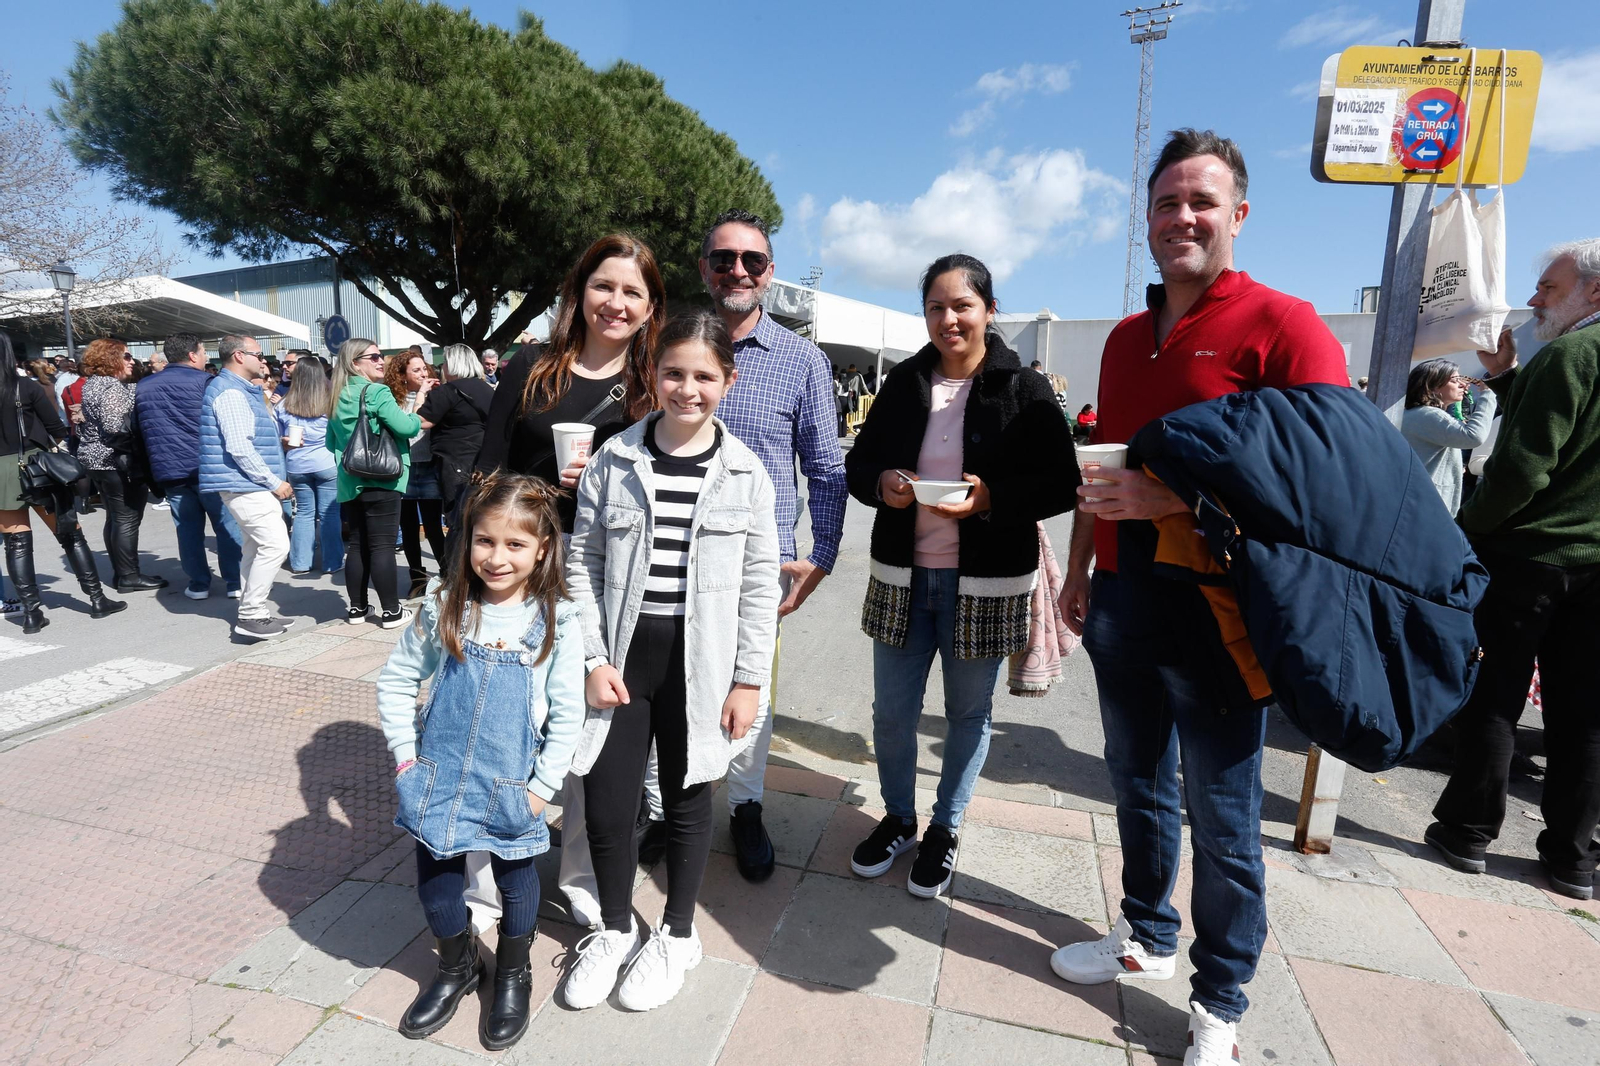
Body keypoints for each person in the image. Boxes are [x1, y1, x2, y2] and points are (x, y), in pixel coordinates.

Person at [1050, 130, 1350, 1065]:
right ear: (1146, 220)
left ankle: (1221, 996)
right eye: (1167, 203)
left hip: (1226, 611)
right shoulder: (1126, 341)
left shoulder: (1284, 324)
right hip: (1126, 599)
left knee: (1223, 819)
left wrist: (1177, 497)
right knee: (1136, 784)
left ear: (1239, 215)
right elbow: (1104, 469)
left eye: (1202, 202)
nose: (1183, 217)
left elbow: (1331, 479)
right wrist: (1078, 569)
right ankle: (1146, 934)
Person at [561, 309, 779, 1011]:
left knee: (688, 797)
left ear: (729, 380)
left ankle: (679, 933)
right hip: (622, 660)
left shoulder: (746, 474)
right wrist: (591, 656)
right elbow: (581, 565)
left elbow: (758, 583)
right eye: (674, 373)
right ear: (651, 375)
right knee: (606, 801)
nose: (688, 389)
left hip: (703, 661)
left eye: (704, 376)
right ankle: (616, 927)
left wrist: (749, 679)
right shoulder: (614, 457)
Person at [844, 254, 1077, 897]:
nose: (949, 319)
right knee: (891, 713)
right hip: (901, 575)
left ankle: (945, 827)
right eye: (936, 307)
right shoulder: (903, 383)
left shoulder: (1023, 388)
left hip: (987, 581)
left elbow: (1062, 482)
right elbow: (860, 466)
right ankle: (898, 817)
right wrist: (884, 484)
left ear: (989, 311)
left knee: (968, 713)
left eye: (962, 305)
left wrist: (990, 498)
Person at [377, 473, 584, 1050]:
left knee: (518, 883)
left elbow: (567, 713)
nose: (497, 557)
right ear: (466, 539)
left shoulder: (556, 620)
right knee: (437, 885)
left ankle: (514, 971)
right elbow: (396, 683)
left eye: (515, 544)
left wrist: (543, 787)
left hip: (514, 784)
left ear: (542, 548)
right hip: (436, 778)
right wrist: (404, 762)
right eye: (485, 541)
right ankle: (456, 963)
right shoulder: (447, 606)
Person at [1427, 237, 1600, 901]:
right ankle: (1572, 857)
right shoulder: (1562, 358)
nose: (1533, 300)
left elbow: (1527, 466)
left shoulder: (1571, 354)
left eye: (1549, 289)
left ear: (1593, 292)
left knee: (1495, 691)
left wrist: (1471, 530)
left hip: (1532, 556)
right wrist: (1503, 376)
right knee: (1583, 712)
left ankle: (1469, 830)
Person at [690, 208, 848, 880]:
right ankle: (668, 804)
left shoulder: (801, 359)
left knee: (751, 687)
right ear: (704, 268)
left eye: (752, 261)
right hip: (674, 553)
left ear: (770, 273)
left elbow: (827, 465)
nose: (737, 271)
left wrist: (823, 553)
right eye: (723, 259)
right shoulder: (670, 346)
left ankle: (746, 807)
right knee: (671, 682)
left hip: (761, 563)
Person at [475, 234, 662, 532]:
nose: (615, 303)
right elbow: (490, 468)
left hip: (615, 559)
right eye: (603, 286)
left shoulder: (659, 385)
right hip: (531, 553)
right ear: (581, 291)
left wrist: (603, 480)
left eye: (632, 292)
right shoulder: (530, 365)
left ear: (650, 308)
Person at [1, 331, 125, 633]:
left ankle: (31, 613)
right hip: (36, 467)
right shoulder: (24, 387)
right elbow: (56, 427)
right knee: (69, 532)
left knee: (16, 543)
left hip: (0, 474)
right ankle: (97, 599)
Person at [199, 335, 294, 640]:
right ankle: (252, 613)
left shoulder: (237, 389)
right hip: (245, 484)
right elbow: (240, 448)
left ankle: (254, 611)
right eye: (259, 354)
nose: (264, 360)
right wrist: (274, 482)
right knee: (275, 545)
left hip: (245, 483)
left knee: (255, 548)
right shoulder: (230, 392)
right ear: (239, 356)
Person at [137, 333, 244, 601]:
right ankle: (234, 580)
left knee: (187, 530)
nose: (207, 356)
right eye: (203, 352)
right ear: (193, 355)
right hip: (209, 468)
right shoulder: (208, 382)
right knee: (226, 526)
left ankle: (198, 583)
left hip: (169, 469)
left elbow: (139, 431)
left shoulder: (144, 386)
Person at [328, 337, 423, 628]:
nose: (381, 361)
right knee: (382, 546)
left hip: (350, 479)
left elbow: (330, 442)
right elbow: (407, 427)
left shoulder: (337, 395)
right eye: (374, 357)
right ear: (355, 363)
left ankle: (357, 609)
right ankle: (392, 612)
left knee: (356, 546)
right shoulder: (377, 392)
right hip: (382, 477)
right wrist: (417, 407)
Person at [77, 338, 165, 592]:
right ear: (111, 359)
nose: (132, 361)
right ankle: (129, 575)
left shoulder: (93, 384)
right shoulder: (112, 387)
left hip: (96, 459)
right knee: (126, 518)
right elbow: (116, 427)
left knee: (115, 518)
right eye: (126, 356)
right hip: (114, 460)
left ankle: (121, 572)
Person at [1400, 358, 1497, 516]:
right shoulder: (1428, 414)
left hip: (1418, 502)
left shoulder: (1415, 414)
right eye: (1455, 379)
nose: (1463, 385)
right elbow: (1473, 436)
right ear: (1433, 385)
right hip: (1428, 507)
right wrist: (1488, 394)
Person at [275, 358, 343, 575]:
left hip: (297, 464)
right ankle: (332, 562)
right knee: (329, 514)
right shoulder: (331, 402)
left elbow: (276, 436)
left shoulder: (283, 404)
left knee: (303, 513)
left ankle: (300, 562)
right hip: (327, 462)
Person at [386, 350, 446, 596]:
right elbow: (407, 425)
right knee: (409, 527)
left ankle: (446, 576)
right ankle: (417, 579)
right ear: (402, 375)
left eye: (424, 368)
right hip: (405, 467)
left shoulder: (436, 394)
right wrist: (420, 395)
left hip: (430, 465)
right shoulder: (392, 398)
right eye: (416, 370)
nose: (423, 373)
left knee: (433, 525)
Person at [418, 344, 493, 515]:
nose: (442, 366)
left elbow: (420, 421)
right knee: (478, 515)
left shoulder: (447, 391)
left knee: (457, 516)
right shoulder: (486, 389)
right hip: (482, 460)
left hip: (454, 461)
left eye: (445, 362)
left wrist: (422, 393)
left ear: (453, 364)